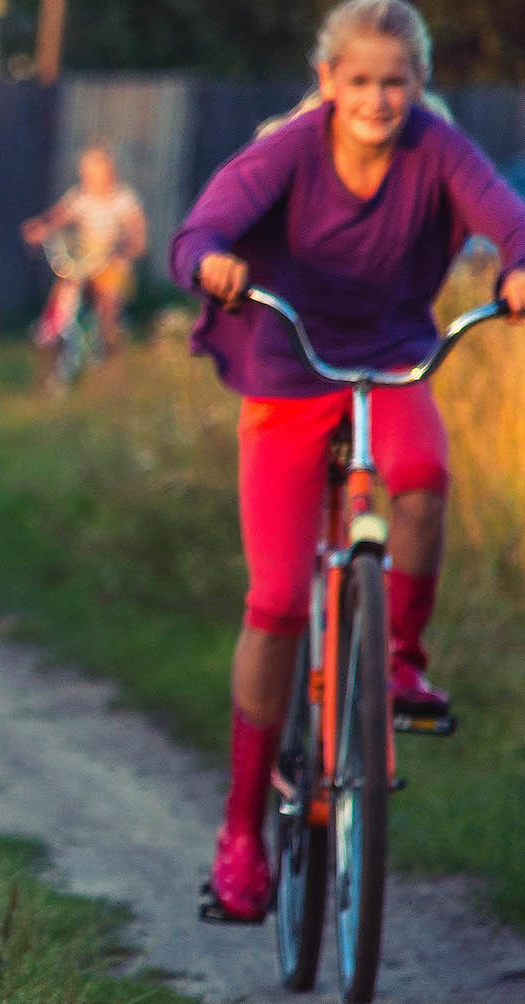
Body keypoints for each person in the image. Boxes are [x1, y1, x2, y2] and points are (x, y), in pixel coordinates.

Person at [169, 0, 525, 923]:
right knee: (280, 599)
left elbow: (507, 217)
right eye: (359, 80)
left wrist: (519, 264)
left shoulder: (436, 151)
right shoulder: (288, 149)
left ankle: (399, 659)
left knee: (423, 484)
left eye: (396, 81)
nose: (378, 98)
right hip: (289, 371)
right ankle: (243, 834)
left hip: (394, 360)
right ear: (328, 82)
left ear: (419, 86)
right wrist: (211, 260)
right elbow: (201, 228)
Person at [22, 145, 148, 356]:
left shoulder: (123, 199)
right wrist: (41, 227)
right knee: (65, 290)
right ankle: (53, 336)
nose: (94, 180)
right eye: (89, 175)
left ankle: (108, 343)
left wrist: (127, 244)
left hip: (112, 259)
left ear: (111, 172)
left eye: (100, 174)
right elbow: (59, 216)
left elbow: (136, 230)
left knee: (109, 299)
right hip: (84, 258)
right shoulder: (81, 197)